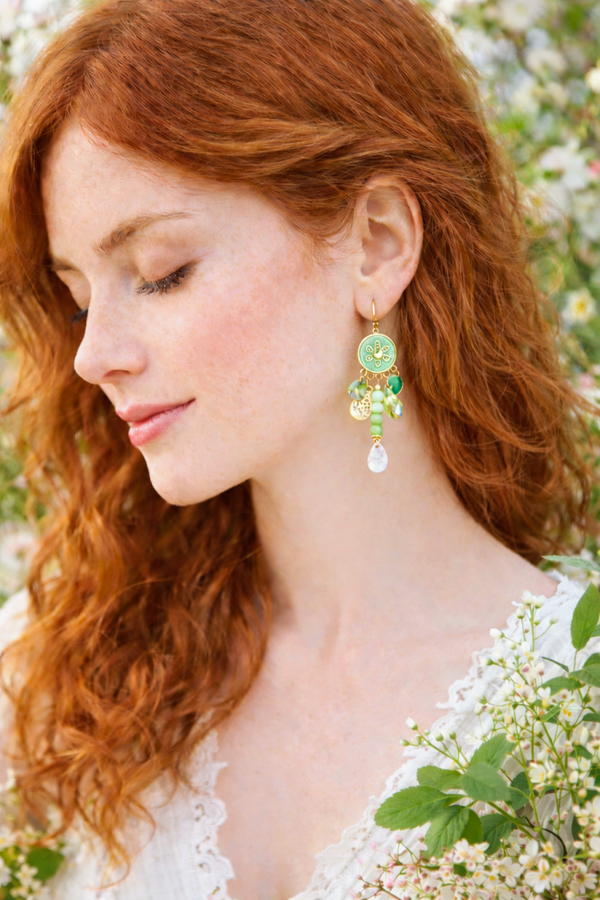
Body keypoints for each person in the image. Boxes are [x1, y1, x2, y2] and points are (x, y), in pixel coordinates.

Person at [0, 0, 593, 897]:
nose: (92, 354)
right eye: (79, 297)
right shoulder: (55, 681)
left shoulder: (575, 707)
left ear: (377, 244)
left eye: (162, 272)